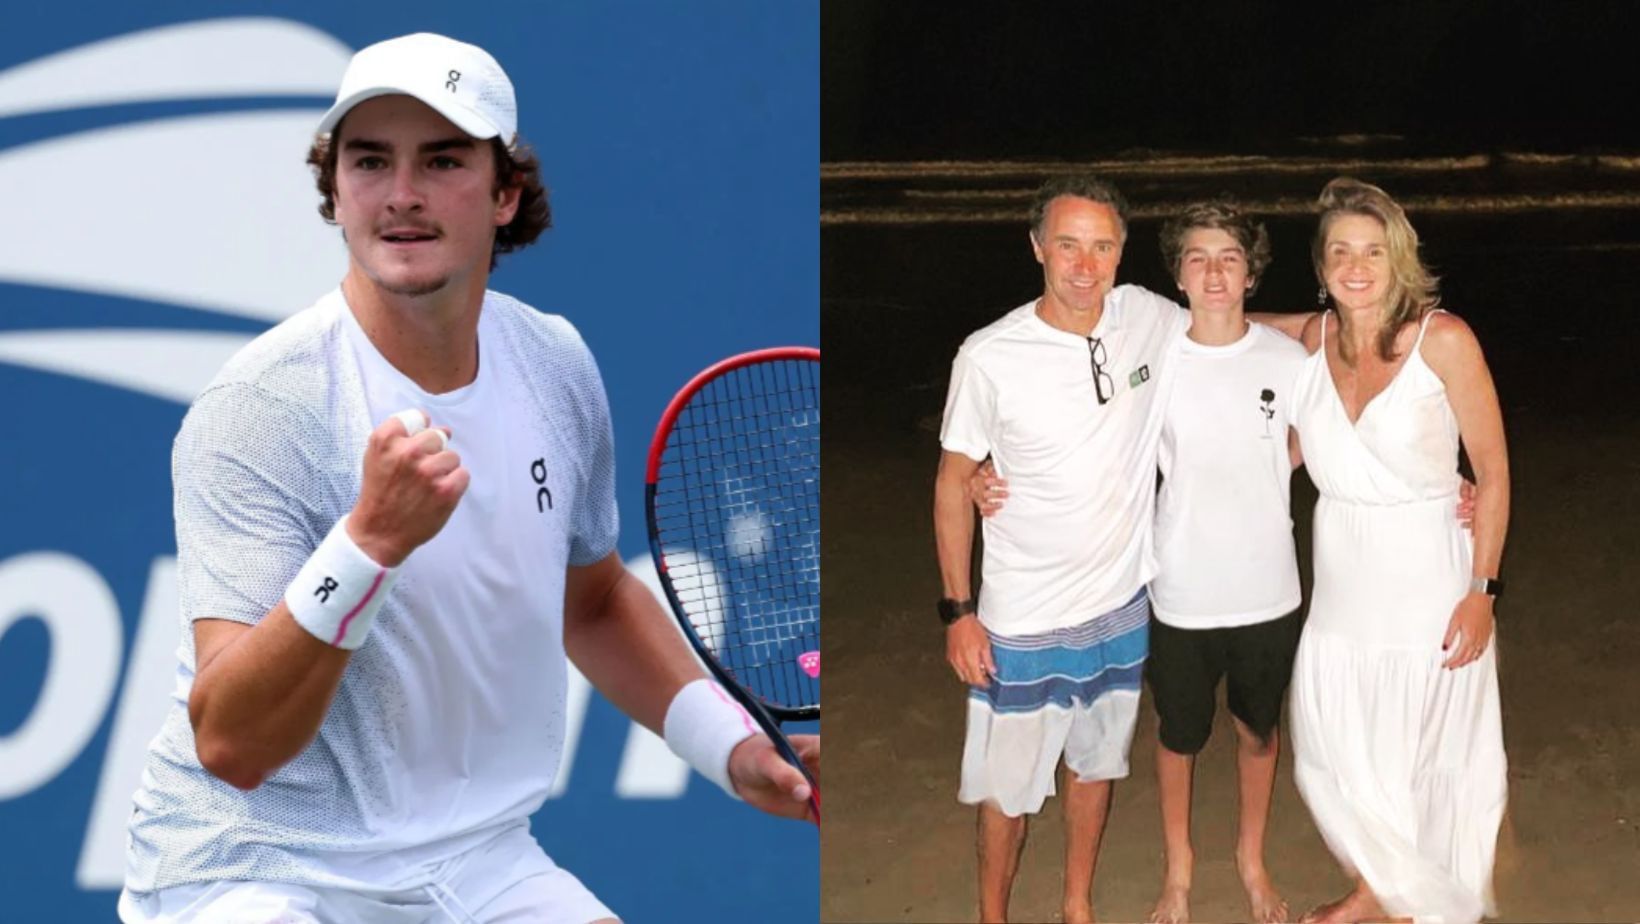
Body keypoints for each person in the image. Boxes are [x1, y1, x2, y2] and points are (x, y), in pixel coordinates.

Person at [118, 33, 817, 924]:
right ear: (335, 193)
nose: (402, 194)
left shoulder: (553, 364)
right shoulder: (263, 405)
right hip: (253, 865)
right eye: (370, 162)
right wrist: (368, 546)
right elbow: (232, 744)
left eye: (442, 161)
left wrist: (731, 747)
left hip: (476, 857)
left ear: (505, 194)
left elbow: (593, 601)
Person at [972, 200, 1307, 924]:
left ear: (1253, 271)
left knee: (1258, 732)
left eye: (1230, 258)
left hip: (1270, 589)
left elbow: (1332, 432)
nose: (1214, 272)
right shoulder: (1152, 350)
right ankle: (1179, 874)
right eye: (1197, 257)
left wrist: (1448, 484)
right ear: (1175, 275)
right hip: (1177, 588)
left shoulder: (1289, 359)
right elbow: (1075, 417)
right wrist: (980, 474)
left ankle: (1251, 860)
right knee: (1177, 737)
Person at [933, 174, 1189, 924]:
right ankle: (994, 916)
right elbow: (953, 482)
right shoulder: (990, 355)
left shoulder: (1147, 318)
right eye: (1069, 244)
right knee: (1005, 792)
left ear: (1121, 252)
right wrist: (958, 611)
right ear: (1038, 246)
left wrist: (1343, 329)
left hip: (1119, 609)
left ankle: (1077, 906)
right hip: (1021, 619)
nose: (1085, 265)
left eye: (1102, 246)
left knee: (1096, 767)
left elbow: (1229, 327)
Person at [1288, 177, 1508, 924]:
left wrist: (1483, 591)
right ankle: (1385, 890)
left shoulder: (1444, 340)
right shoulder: (1312, 339)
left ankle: (1379, 900)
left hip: (1426, 573)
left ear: (1399, 259)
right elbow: (1219, 329)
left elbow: (1495, 470)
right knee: (1333, 745)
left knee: (1418, 745)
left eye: (1373, 252)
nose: (1356, 266)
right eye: (1340, 252)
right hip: (1343, 579)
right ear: (1320, 267)